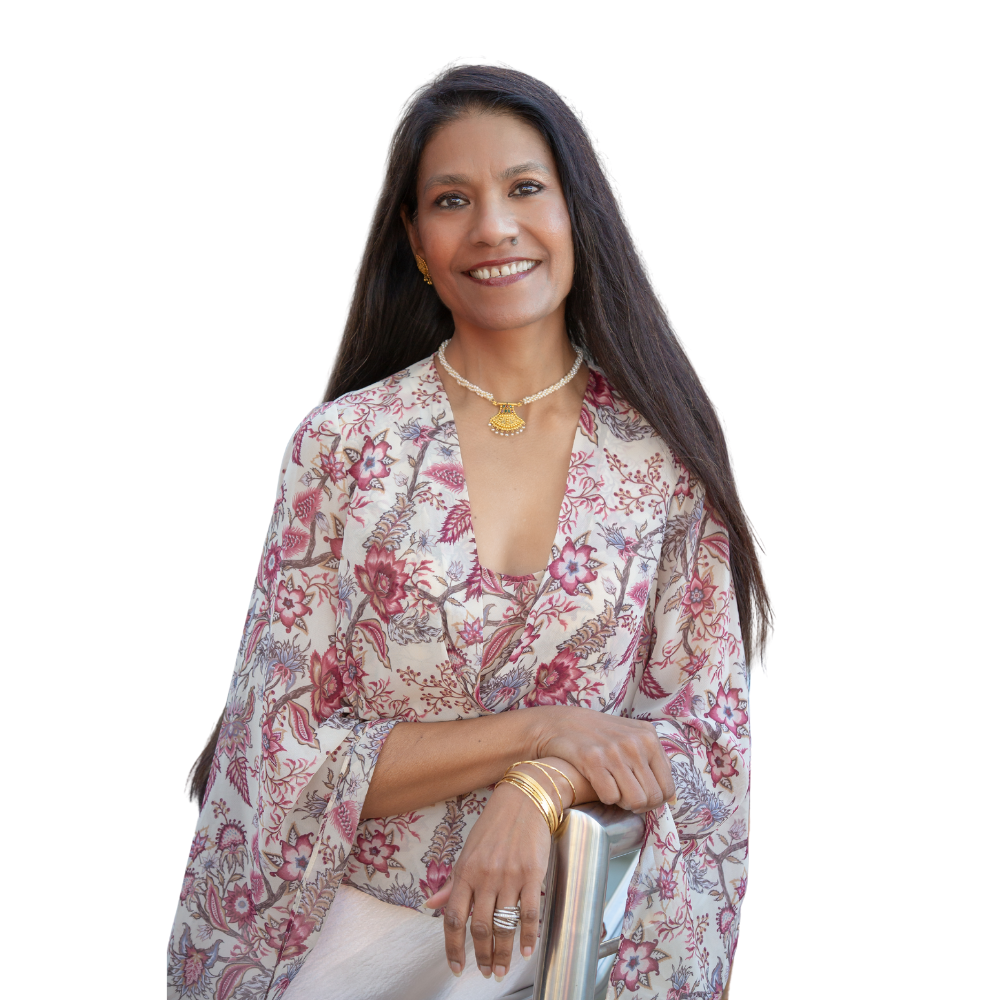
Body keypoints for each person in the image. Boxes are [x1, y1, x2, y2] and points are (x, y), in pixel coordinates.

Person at [167, 60, 769, 1000]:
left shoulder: (663, 464)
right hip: (348, 949)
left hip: (569, 954)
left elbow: (704, 748)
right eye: (452, 200)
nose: (493, 227)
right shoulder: (344, 447)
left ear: (577, 214)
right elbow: (276, 757)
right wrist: (546, 731)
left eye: (525, 188)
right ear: (415, 240)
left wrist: (542, 787)